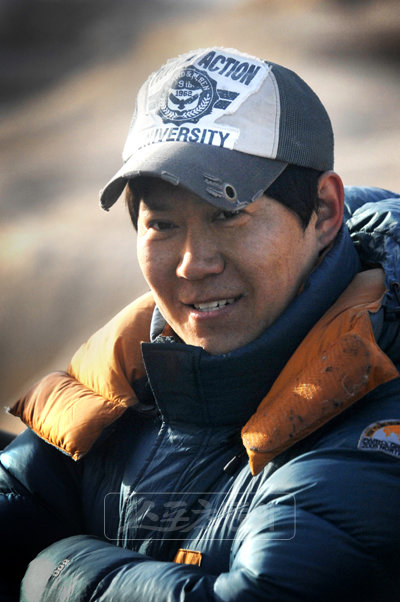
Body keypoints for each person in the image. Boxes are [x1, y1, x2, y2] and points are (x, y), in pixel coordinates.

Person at [1, 47, 400, 601]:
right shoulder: (129, 373)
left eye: (229, 214)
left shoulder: (375, 421)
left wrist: (61, 574)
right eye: (162, 224)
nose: (193, 264)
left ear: (324, 212)